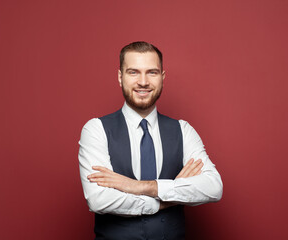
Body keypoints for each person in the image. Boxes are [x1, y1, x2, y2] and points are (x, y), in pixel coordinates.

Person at [78, 41, 223, 240]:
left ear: (162, 78)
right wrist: (165, 198)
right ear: (120, 77)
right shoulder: (96, 130)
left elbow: (213, 187)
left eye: (152, 72)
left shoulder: (183, 130)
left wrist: (141, 187)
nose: (143, 82)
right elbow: (99, 199)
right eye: (133, 72)